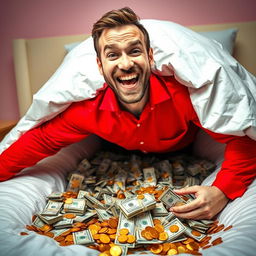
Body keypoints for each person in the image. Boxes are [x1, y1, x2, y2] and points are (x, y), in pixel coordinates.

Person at [0, 7, 256, 220]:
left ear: (150, 56)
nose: (125, 64)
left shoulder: (187, 97)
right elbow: (39, 141)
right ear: (100, 66)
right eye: (112, 55)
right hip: (114, 151)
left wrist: (223, 190)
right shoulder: (85, 111)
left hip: (183, 149)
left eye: (134, 51)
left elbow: (242, 139)